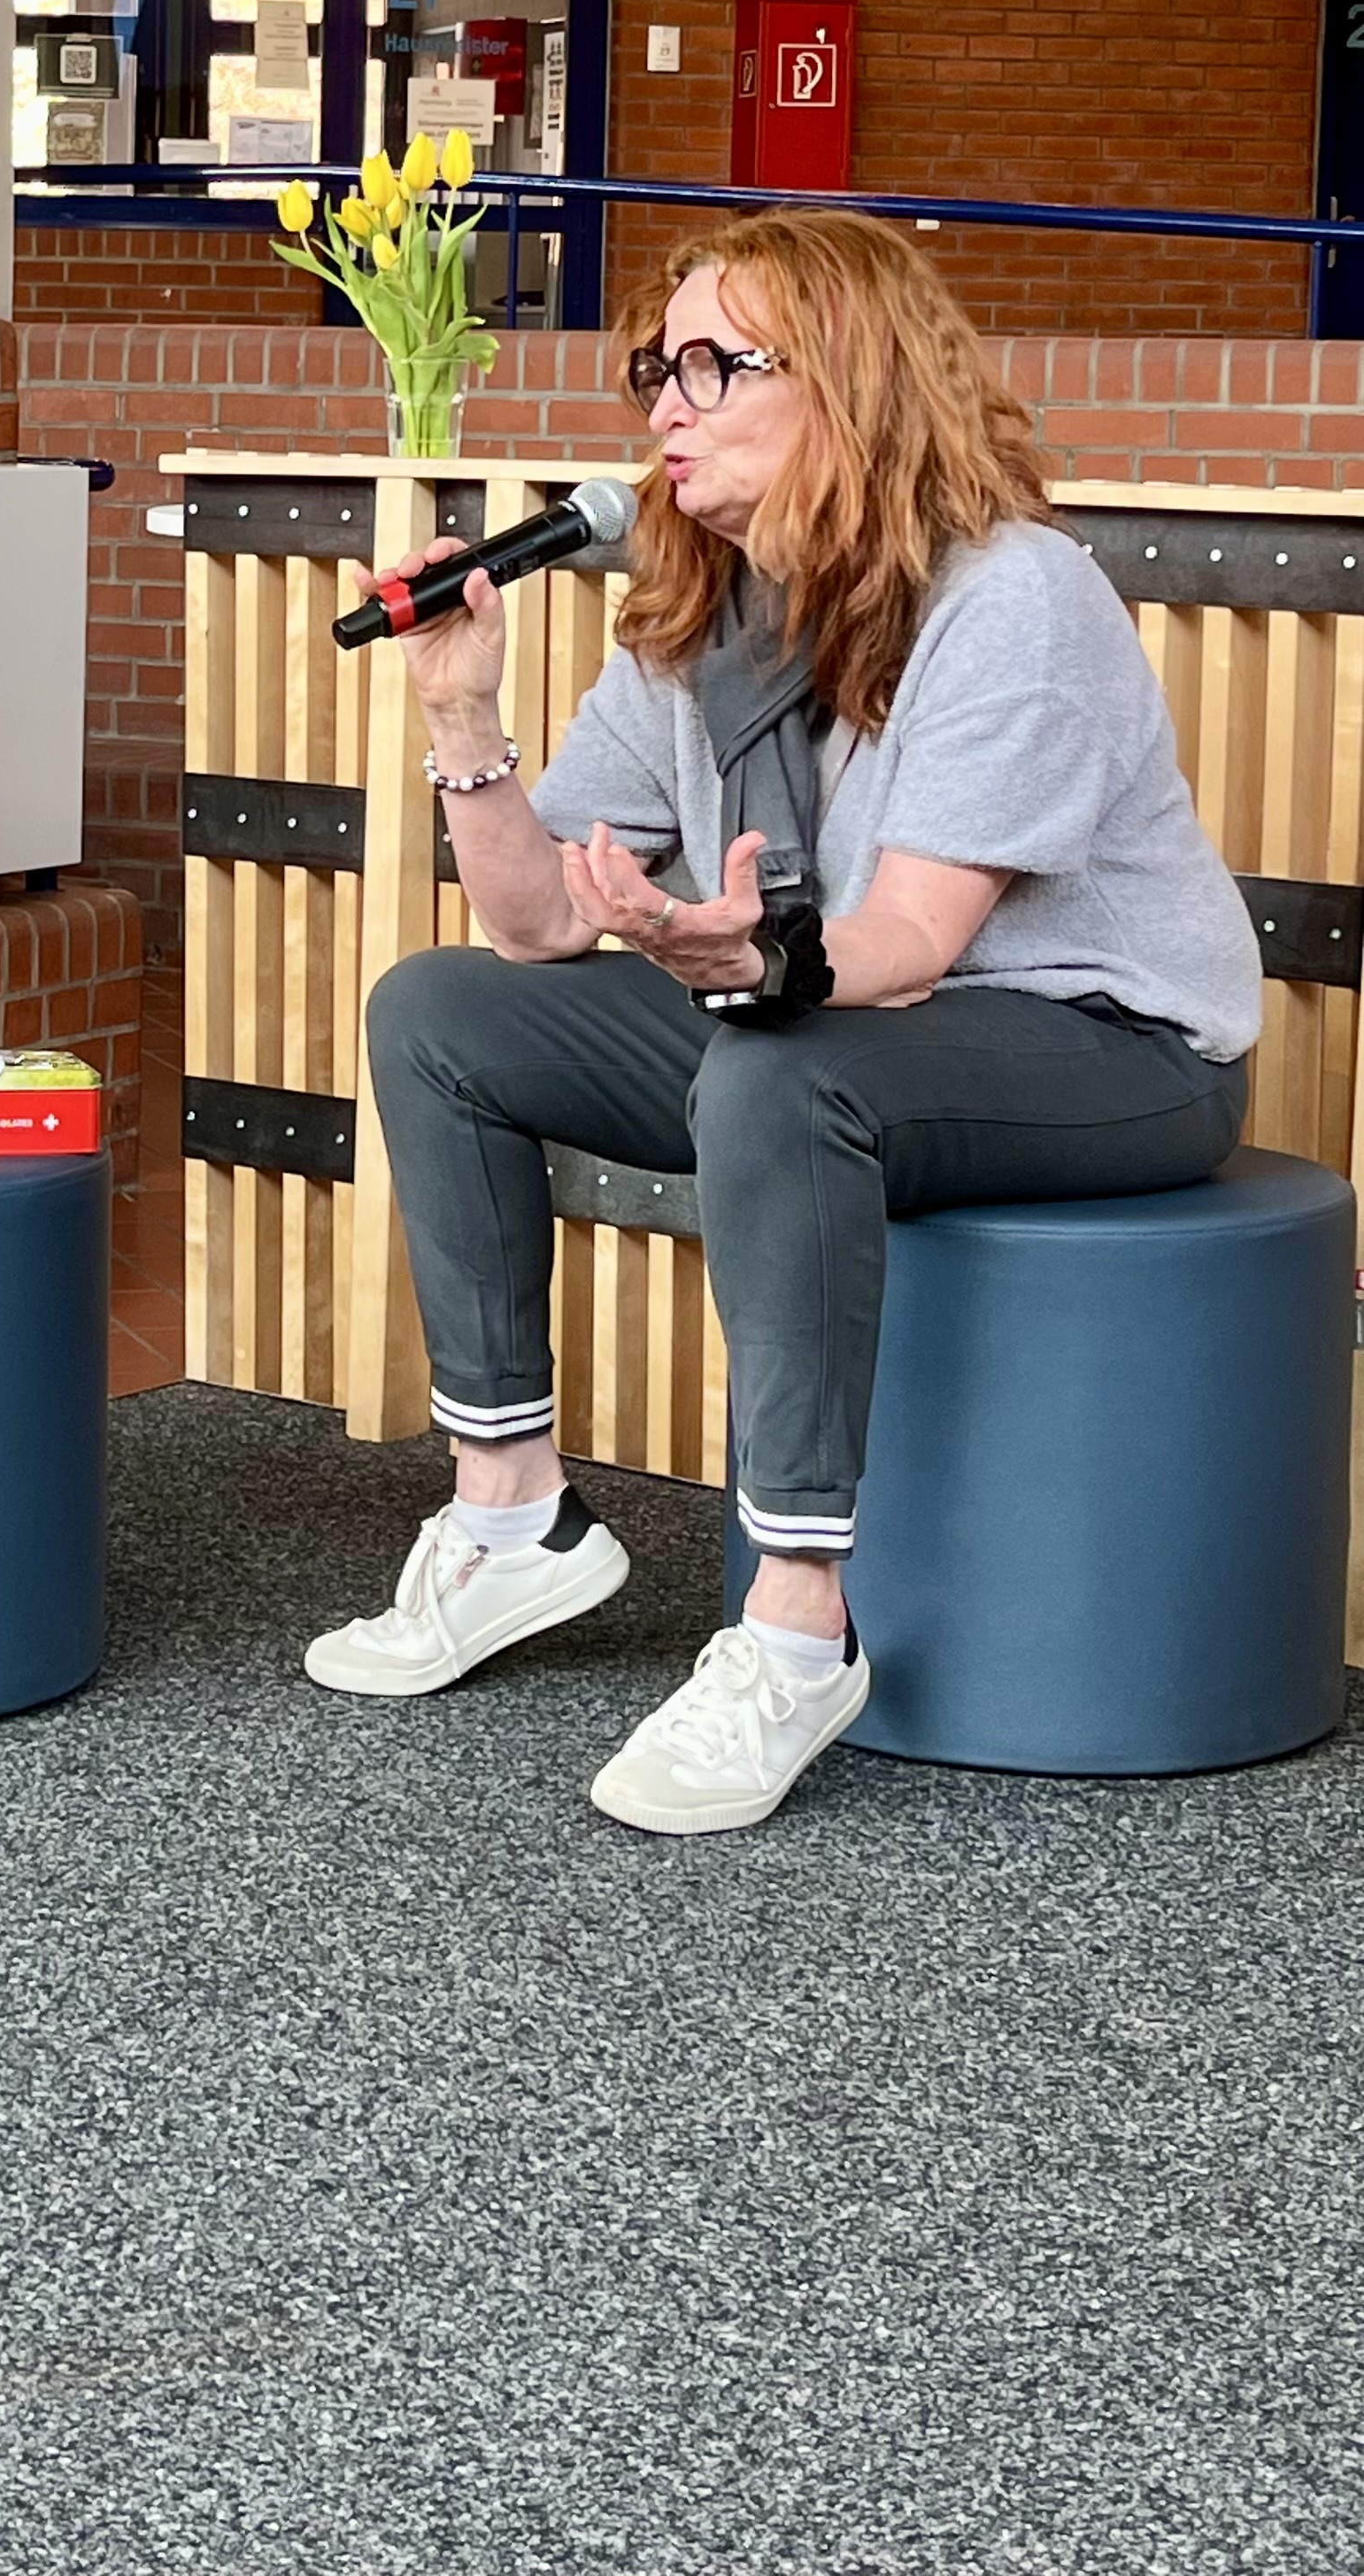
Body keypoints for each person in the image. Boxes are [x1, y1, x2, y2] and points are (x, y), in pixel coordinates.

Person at [305, 207, 1260, 1836]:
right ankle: (514, 1517)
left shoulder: (1011, 596)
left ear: (854, 385)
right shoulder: (704, 620)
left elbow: (901, 944)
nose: (664, 405)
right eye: (655, 369)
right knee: (438, 1011)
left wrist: (750, 967)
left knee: (777, 1071)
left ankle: (797, 1623)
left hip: (1103, 1048)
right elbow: (530, 923)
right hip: (827, 1019)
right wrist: (464, 715)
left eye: (714, 365)